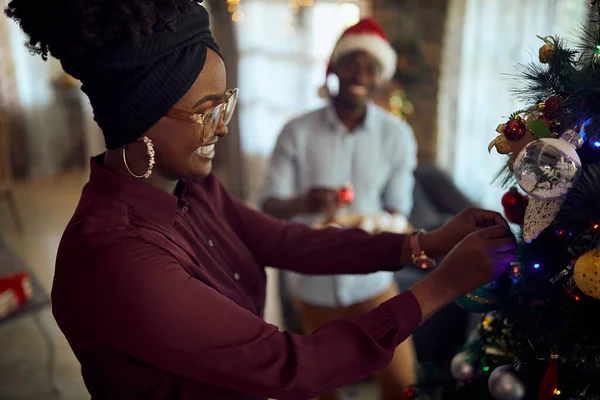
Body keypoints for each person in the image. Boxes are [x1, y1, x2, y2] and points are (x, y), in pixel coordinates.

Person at [5, 1, 517, 399]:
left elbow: (284, 240)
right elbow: (294, 365)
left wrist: (423, 243)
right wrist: (446, 282)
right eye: (207, 110)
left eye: (226, 101)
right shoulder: (115, 258)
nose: (223, 126)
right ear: (139, 117)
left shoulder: (193, 187)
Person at [261, 18, 418, 400]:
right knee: (320, 388)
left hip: (374, 284)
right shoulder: (296, 131)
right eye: (350, 64)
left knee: (403, 383)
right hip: (313, 286)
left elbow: (399, 208)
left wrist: (377, 223)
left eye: (370, 67)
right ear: (333, 68)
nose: (359, 75)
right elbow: (268, 204)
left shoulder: (397, 135)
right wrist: (306, 202)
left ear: (381, 76)